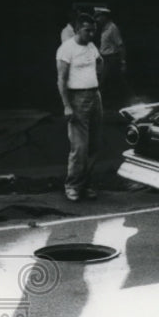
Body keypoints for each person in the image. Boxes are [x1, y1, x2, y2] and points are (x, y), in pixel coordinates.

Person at [56, 14, 102, 202]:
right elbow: (61, 79)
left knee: (94, 145)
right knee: (79, 147)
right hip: (77, 98)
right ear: (76, 29)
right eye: (87, 30)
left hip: (94, 96)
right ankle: (73, 185)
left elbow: (100, 62)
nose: (91, 34)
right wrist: (67, 105)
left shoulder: (91, 46)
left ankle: (87, 184)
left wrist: (97, 83)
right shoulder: (66, 49)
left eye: (93, 30)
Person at [94, 6, 126, 107]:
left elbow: (120, 45)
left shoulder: (112, 28)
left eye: (99, 16)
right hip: (105, 58)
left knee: (103, 82)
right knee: (114, 82)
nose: (97, 19)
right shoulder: (104, 28)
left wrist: (123, 62)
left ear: (105, 16)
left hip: (111, 58)